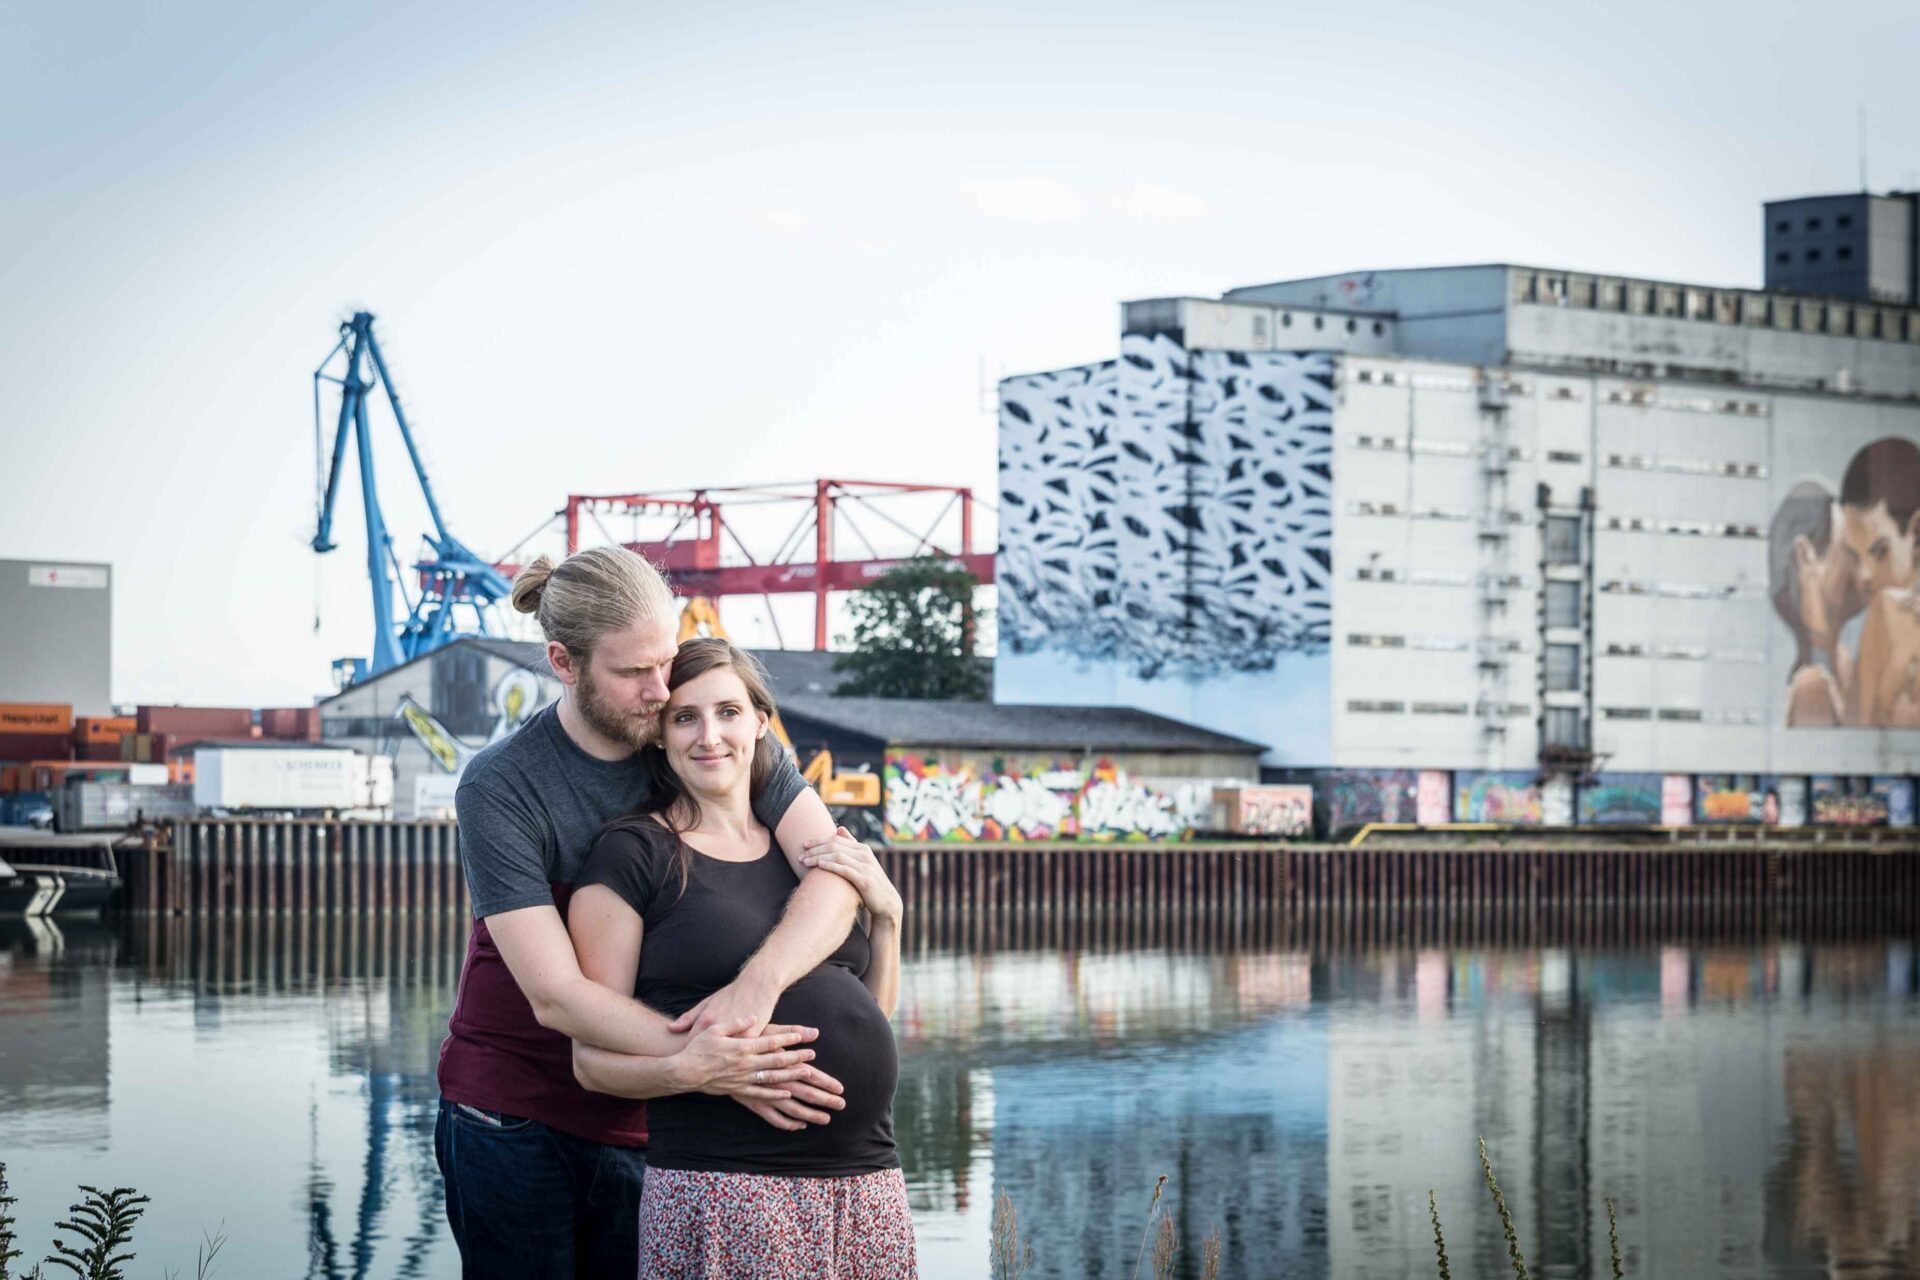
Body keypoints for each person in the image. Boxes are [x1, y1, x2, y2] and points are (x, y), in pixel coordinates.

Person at [434, 547, 864, 1278]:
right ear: (565, 664)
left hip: (662, 1116)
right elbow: (555, 995)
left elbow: (835, 875)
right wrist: (717, 1062)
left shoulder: (707, 738)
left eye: (666, 661)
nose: (662, 690)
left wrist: (752, 994)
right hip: (514, 1115)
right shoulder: (502, 784)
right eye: (634, 672)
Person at [569, 639, 915, 1279]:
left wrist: (889, 921)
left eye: (728, 711)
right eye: (685, 717)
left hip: (868, 1185)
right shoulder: (631, 854)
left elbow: (868, 1017)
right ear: (660, 736)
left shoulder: (805, 853)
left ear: (761, 722)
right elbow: (590, 1064)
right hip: (731, 1188)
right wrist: (700, 1071)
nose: (710, 736)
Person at [1838, 438, 1920, 727]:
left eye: (1879, 552)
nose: (1864, 575)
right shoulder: (1883, 614)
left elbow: (1858, 735)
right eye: (1855, 556)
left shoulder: (1887, 610)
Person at [1767, 479, 1862, 726]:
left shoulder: (1845, 665)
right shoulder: (1813, 685)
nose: (1858, 569)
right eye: (1847, 551)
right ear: (1805, 558)